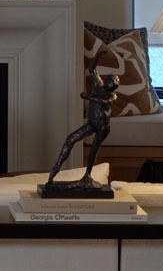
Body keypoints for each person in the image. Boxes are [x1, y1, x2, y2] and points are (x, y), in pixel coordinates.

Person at [45, 51, 120, 190]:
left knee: (93, 151)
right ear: (108, 80)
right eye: (115, 79)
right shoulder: (98, 85)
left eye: (117, 81)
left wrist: (87, 97)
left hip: (103, 127)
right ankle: (55, 169)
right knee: (70, 139)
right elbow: (92, 68)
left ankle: (87, 176)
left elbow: (103, 102)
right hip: (92, 123)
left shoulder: (113, 96)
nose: (117, 81)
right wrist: (98, 56)